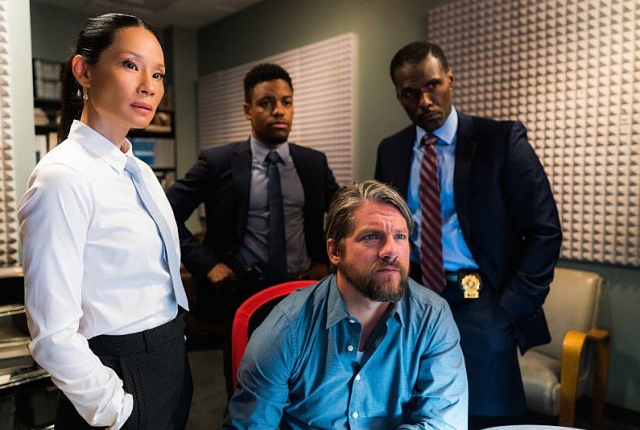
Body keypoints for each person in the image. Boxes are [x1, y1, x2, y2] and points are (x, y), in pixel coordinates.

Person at [374, 41, 562, 429]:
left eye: (433, 85)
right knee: (414, 410)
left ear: (450, 79)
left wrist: (509, 308)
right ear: (398, 96)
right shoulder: (391, 150)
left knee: (487, 416)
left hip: (483, 301)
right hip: (413, 298)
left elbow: (544, 230)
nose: (424, 101)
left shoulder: (501, 140)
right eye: (410, 93)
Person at [18, 13, 192, 429]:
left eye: (158, 74)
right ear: (84, 71)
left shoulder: (140, 171)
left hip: (170, 359)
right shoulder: (62, 178)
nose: (149, 86)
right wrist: (116, 410)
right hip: (119, 375)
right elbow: (52, 334)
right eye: (131, 65)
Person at [223, 180, 468, 429]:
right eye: (371, 237)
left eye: (400, 236)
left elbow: (443, 422)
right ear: (334, 252)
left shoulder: (432, 317)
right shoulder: (287, 328)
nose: (391, 250)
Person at [166, 63, 339, 397]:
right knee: (247, 387)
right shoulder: (218, 162)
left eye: (287, 102)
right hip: (244, 293)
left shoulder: (313, 163)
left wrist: (327, 261)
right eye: (266, 103)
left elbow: (343, 214)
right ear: (248, 110)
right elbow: (166, 212)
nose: (279, 111)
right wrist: (207, 263)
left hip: (304, 291)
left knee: (306, 386)